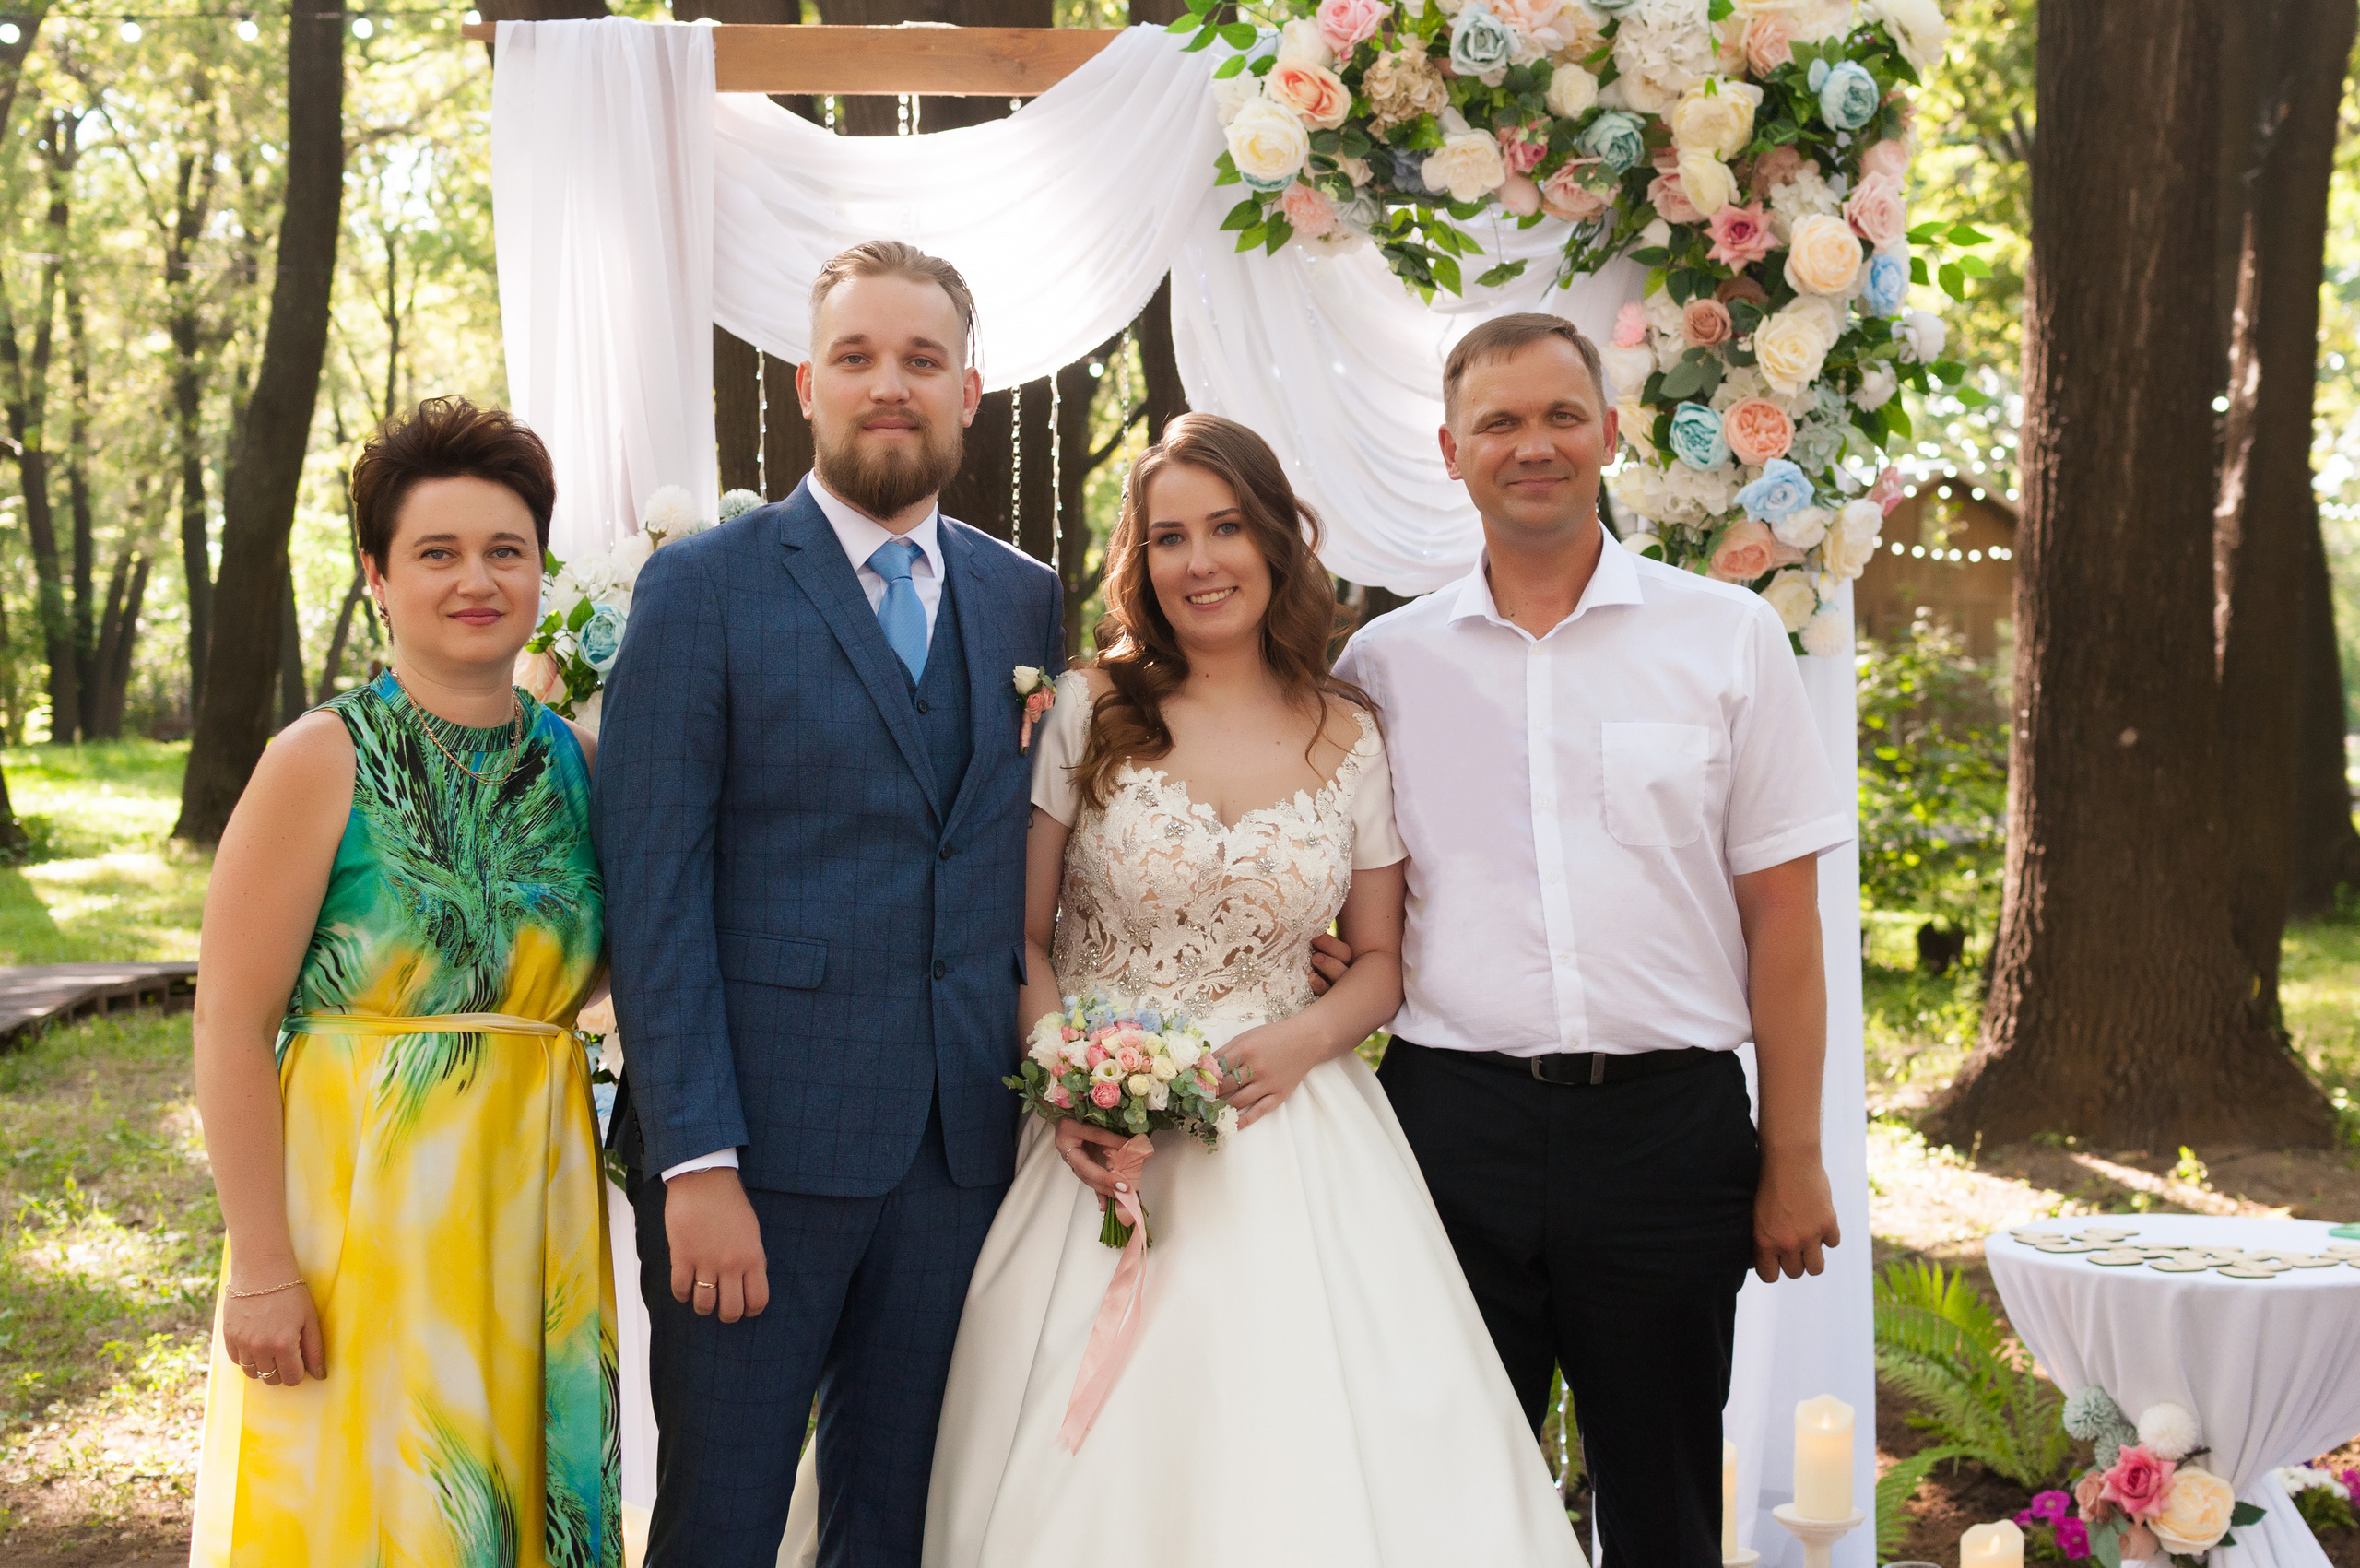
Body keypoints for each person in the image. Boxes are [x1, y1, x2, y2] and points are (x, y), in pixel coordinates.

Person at [919, 413, 1585, 1568]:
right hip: (1093, 1133)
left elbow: (1378, 960)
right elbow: (1020, 938)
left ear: (1274, 542)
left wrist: (1304, 1039)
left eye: (1226, 527)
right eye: (1169, 536)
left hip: (1294, 1122)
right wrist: (1065, 1082)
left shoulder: (1351, 730)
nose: (1200, 560)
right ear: (1142, 561)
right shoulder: (1090, 709)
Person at [1328, 313, 1851, 1567]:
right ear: (1449, 452)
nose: (1534, 446)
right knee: (1458, 1505)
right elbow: (1344, 903)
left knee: (1664, 1504)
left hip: (1668, 1140)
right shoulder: (1382, 668)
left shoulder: (1724, 639)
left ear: (1610, 434)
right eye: (1498, 423)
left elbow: (1784, 918)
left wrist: (1793, 1154)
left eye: (1562, 415)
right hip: (1452, 1133)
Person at [596, 241, 1064, 1568]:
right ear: (809, 384)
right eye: (858, 357)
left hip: (960, 1152)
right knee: (724, 1522)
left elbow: (1033, 848)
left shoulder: (1023, 594)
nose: (889, 385)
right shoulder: (701, 589)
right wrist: (696, 1161)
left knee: (902, 1522)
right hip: (759, 1161)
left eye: (923, 359)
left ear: (971, 391)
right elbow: (656, 891)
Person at [189, 396, 616, 1566]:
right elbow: (230, 1022)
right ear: (377, 574)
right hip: (357, 1218)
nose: (474, 579)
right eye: (437, 553)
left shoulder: (581, 765)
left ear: (539, 570)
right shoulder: (319, 759)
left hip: (536, 1211)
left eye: (504, 551)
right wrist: (264, 1268)